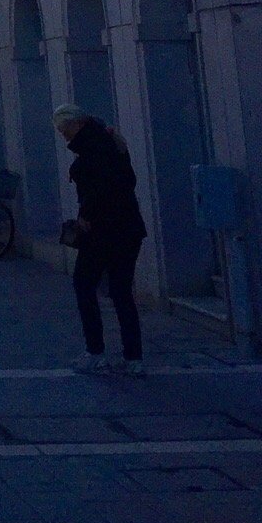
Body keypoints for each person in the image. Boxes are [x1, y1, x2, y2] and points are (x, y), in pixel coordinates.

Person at [54, 103, 147, 375]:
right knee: (121, 292)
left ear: (76, 124)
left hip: (103, 231)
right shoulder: (110, 142)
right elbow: (126, 182)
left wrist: (86, 215)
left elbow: (102, 187)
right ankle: (134, 357)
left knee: (84, 284)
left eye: (64, 129)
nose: (63, 135)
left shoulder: (93, 148)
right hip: (128, 228)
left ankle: (95, 351)